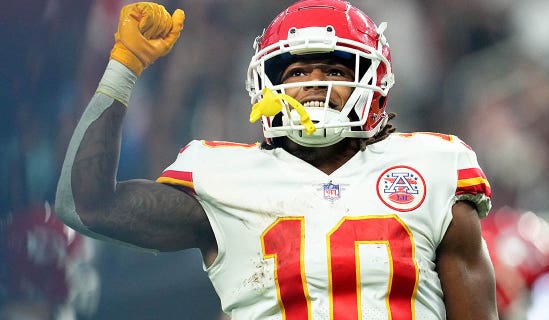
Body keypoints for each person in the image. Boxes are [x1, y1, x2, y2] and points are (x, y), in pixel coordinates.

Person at [55, 0, 498, 318]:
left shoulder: (433, 167)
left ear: (373, 82)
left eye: (335, 71)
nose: (314, 84)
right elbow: (87, 206)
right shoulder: (223, 177)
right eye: (298, 72)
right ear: (264, 87)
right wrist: (124, 66)